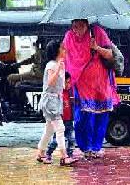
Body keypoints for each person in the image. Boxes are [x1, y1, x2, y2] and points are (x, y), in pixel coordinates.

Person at [63, 19, 119, 159]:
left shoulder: (97, 32)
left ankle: (96, 147)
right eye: (74, 26)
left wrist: (96, 48)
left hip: (101, 84)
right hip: (80, 84)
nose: (77, 30)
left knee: (101, 115)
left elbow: (111, 55)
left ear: (87, 24)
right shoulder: (69, 36)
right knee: (82, 118)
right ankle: (85, 147)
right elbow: (64, 57)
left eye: (80, 26)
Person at [36, 39, 77, 166]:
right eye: (62, 48)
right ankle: (64, 156)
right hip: (50, 100)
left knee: (49, 130)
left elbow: (62, 86)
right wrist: (59, 68)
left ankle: (40, 153)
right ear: (57, 51)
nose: (65, 50)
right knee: (60, 128)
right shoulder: (51, 65)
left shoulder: (59, 65)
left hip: (56, 100)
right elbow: (50, 82)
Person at [43, 72, 76, 164]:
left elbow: (72, 105)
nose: (69, 84)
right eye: (66, 82)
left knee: (71, 139)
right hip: (59, 120)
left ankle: (69, 155)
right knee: (55, 140)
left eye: (69, 82)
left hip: (69, 120)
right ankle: (48, 154)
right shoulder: (57, 94)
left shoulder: (70, 93)